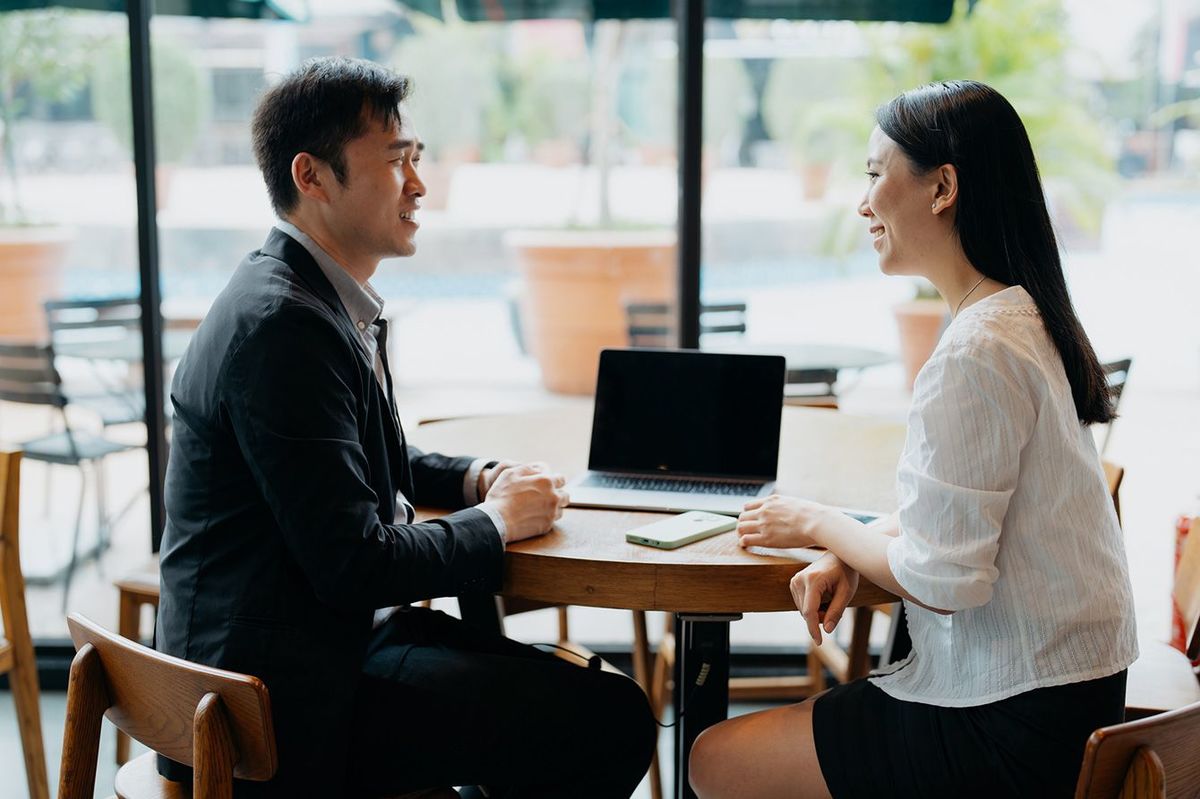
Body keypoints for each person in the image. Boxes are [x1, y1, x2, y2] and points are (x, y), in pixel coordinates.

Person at [157, 56, 655, 798]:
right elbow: (355, 565)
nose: (420, 185)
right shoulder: (285, 325)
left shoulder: (301, 296)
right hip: (272, 706)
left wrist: (473, 479)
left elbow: (348, 456)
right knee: (607, 718)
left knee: (571, 693)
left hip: (297, 653)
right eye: (396, 161)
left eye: (416, 158)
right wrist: (492, 522)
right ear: (312, 176)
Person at [687, 80, 1137, 799]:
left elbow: (945, 578)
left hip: (1009, 721)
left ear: (942, 188)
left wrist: (817, 521)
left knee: (712, 758)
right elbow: (966, 514)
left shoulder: (975, 350)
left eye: (874, 174)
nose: (863, 202)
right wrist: (849, 548)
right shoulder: (1019, 317)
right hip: (1070, 698)